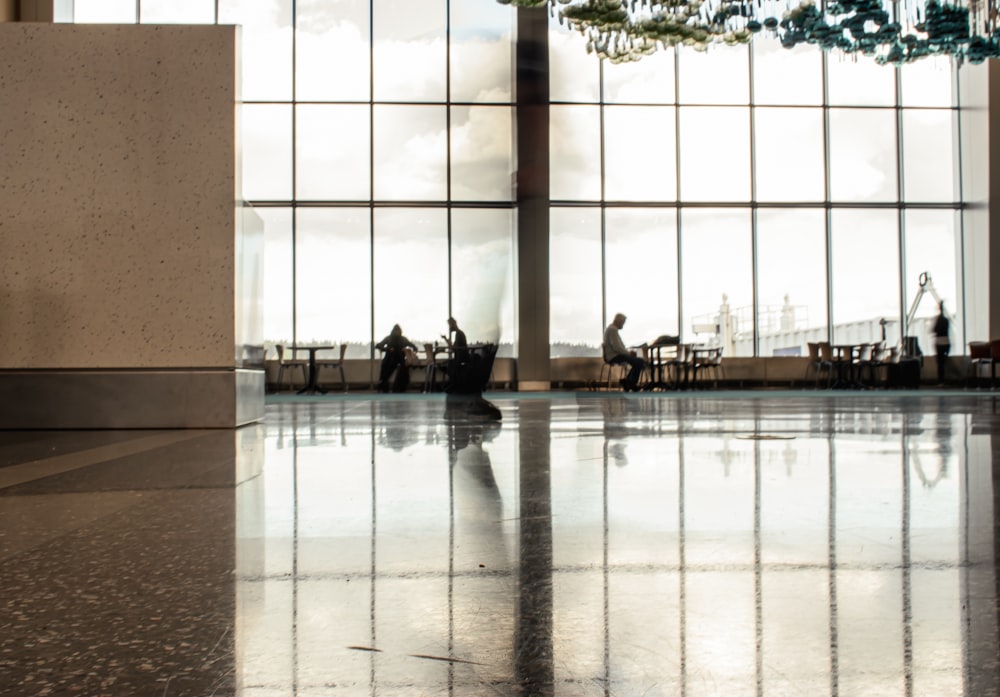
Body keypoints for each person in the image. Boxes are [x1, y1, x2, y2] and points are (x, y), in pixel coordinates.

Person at [603, 312, 645, 392]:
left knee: (638, 361)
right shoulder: (613, 330)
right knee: (639, 362)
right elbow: (617, 347)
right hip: (614, 356)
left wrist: (628, 353)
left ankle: (628, 382)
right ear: (619, 322)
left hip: (615, 355)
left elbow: (618, 347)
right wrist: (628, 353)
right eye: (623, 323)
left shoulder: (611, 329)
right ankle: (630, 382)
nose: (623, 325)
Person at [375, 324, 418, 393]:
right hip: (390, 359)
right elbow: (378, 346)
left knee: (404, 371)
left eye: (397, 331)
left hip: (400, 359)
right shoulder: (389, 338)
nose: (396, 333)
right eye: (395, 331)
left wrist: (411, 352)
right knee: (385, 371)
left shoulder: (402, 339)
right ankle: (383, 387)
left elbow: (413, 346)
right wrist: (388, 349)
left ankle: (399, 388)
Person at [933, 301, 950, 384]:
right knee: (943, 362)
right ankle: (943, 380)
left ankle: (941, 380)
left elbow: (934, 330)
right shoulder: (946, 320)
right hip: (946, 342)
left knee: (940, 363)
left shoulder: (938, 320)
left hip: (939, 343)